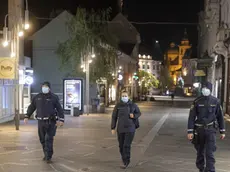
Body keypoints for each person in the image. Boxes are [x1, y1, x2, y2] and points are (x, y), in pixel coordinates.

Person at [187, 81, 225, 172]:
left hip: (211, 130)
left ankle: (210, 170)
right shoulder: (197, 101)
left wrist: (222, 131)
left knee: (209, 152)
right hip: (199, 130)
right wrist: (190, 131)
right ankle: (201, 168)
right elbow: (191, 117)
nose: (205, 90)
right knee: (200, 151)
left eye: (206, 88)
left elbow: (220, 117)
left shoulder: (216, 101)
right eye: (203, 88)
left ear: (210, 90)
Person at [24, 81, 65, 163]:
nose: (44, 88)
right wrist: (27, 116)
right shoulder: (37, 97)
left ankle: (48, 156)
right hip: (40, 122)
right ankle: (46, 154)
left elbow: (59, 109)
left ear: (49, 88)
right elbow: (32, 107)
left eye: (46, 87)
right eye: (43, 86)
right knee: (42, 139)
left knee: (48, 139)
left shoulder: (54, 97)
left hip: (51, 122)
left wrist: (61, 119)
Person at [111, 91, 141, 169]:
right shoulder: (118, 105)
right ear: (121, 97)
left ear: (128, 97)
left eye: (125, 96)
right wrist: (113, 127)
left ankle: (126, 161)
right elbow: (114, 117)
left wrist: (134, 115)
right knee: (121, 146)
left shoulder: (133, 105)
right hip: (120, 129)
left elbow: (139, 113)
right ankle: (124, 159)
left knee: (126, 145)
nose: (124, 97)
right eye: (123, 96)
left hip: (130, 129)